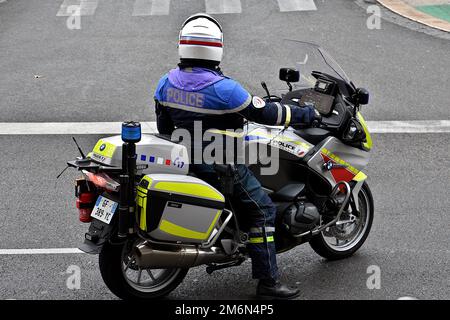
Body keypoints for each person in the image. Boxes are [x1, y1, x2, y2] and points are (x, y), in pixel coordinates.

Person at [153, 13, 316, 299]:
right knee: (263, 209)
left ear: (183, 45)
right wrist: (303, 113)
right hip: (220, 163)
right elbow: (267, 113)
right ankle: (268, 282)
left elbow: (164, 127)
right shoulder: (225, 90)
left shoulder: (165, 83)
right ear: (216, 47)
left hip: (184, 161)